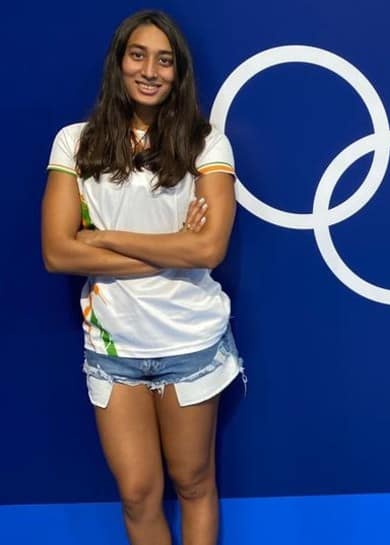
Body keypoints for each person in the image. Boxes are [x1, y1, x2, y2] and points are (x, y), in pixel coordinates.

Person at [40, 10, 242, 545]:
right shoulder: (74, 143)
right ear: (119, 63)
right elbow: (58, 254)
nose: (150, 70)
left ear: (179, 72)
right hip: (113, 349)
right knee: (136, 495)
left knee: (194, 482)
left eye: (165, 60)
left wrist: (101, 236)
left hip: (190, 341)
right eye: (138, 55)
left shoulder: (205, 143)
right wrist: (173, 248)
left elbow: (208, 249)